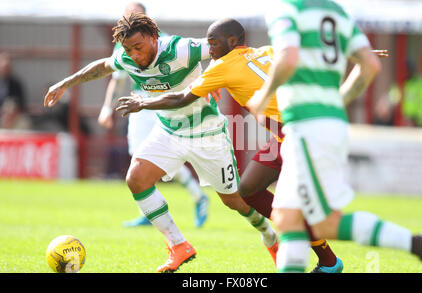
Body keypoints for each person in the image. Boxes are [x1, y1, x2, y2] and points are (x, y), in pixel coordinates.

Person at [44, 12, 278, 273]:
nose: (133, 55)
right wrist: (65, 83)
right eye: (128, 50)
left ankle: (270, 237)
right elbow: (103, 66)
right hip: (169, 131)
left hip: (207, 133)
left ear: (154, 38)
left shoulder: (181, 49)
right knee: (137, 178)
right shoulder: (126, 57)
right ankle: (179, 246)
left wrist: (213, 74)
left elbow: (220, 46)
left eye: (138, 47)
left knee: (235, 200)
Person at [116, 18, 349, 273]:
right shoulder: (263, 51)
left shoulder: (223, 66)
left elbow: (182, 97)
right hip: (289, 136)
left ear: (232, 42)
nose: (210, 49)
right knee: (248, 190)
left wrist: (143, 104)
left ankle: (326, 260)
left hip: (302, 138)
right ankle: (307, 246)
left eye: (214, 44)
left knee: (290, 207)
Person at [246, 0, 422, 273]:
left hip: (307, 126)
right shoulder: (336, 12)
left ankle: (419, 244)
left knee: (324, 223)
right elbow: (371, 65)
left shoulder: (287, 8)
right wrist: (337, 101)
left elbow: (288, 57)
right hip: (325, 124)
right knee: (287, 217)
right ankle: (416, 244)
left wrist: (264, 95)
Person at [98, 2, 209, 228]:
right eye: (126, 16)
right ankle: (155, 209)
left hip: (162, 102)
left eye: (134, 16)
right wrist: (106, 108)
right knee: (141, 157)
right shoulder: (123, 46)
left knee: (156, 157)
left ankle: (196, 197)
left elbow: (192, 62)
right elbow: (117, 79)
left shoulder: (162, 40)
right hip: (137, 104)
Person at [401, 58, 422, 127]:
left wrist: (417, 120)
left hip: (418, 124)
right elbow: (393, 96)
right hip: (406, 122)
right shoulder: (403, 83)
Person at [0, 52, 30, 129]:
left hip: (15, 117)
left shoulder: (16, 84)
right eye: (3, 67)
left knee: (24, 124)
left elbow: (22, 103)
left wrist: (13, 112)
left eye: (7, 67)